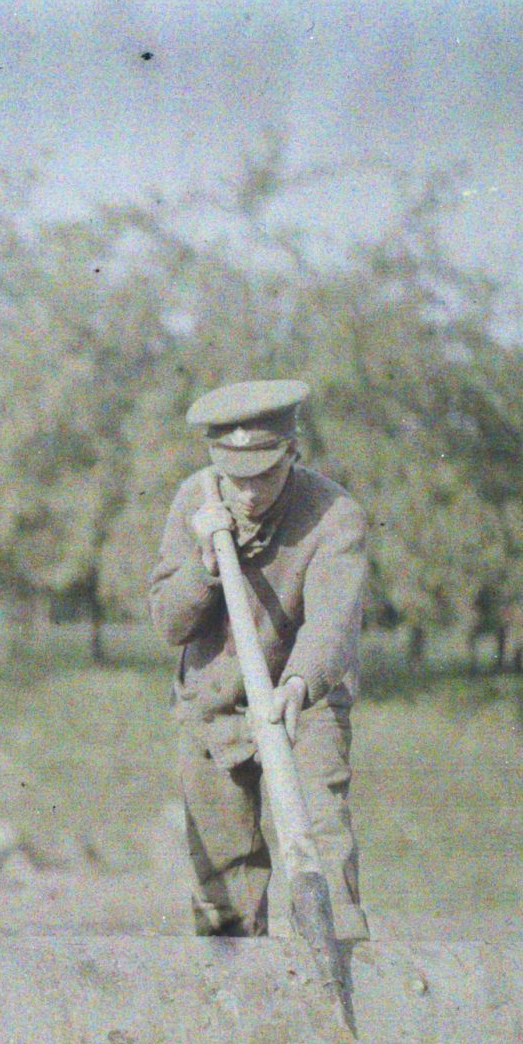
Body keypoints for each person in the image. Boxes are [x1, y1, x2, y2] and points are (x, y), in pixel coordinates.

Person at [146, 378, 370, 940]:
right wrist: (203, 564)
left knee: (321, 845)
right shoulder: (194, 500)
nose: (248, 494)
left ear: (293, 453)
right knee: (223, 884)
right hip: (214, 702)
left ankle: (337, 963)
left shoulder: (335, 514)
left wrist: (297, 686)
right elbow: (169, 624)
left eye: (265, 475)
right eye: (235, 477)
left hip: (304, 699)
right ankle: (235, 982)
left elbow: (333, 623)